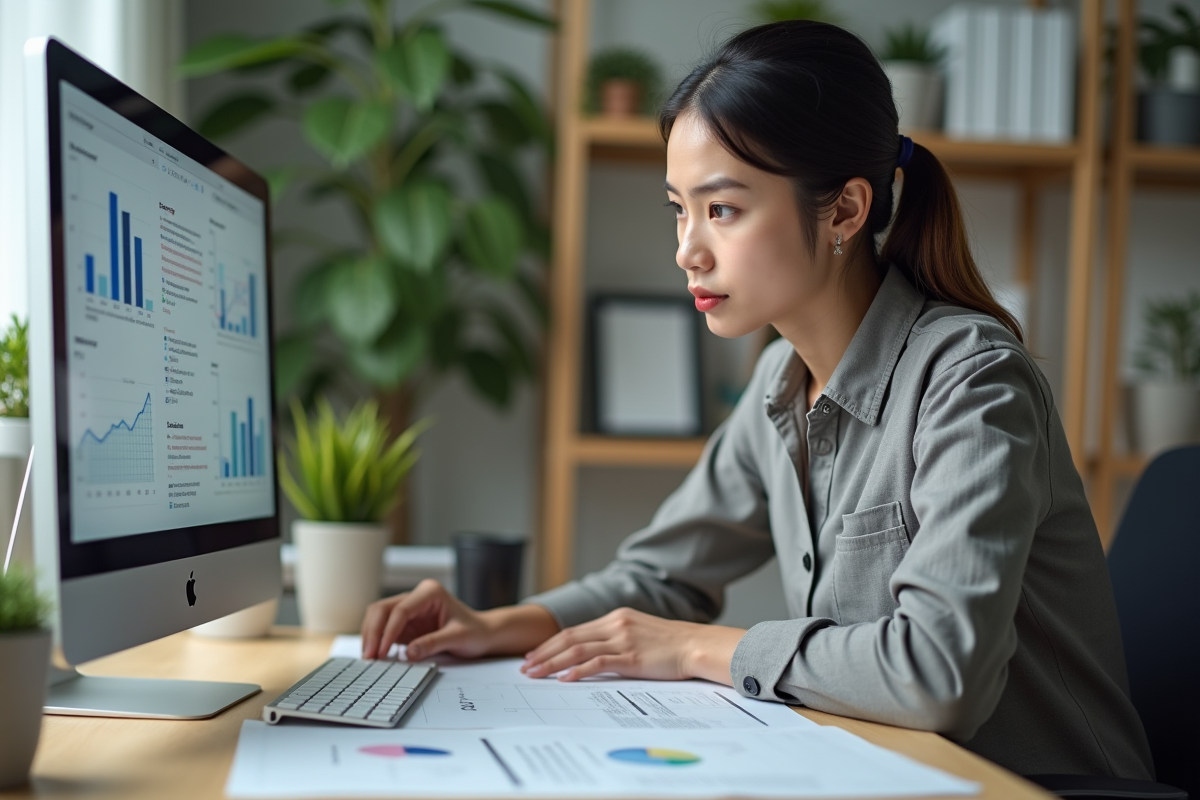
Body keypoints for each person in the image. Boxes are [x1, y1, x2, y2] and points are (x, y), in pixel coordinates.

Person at [360, 20, 1153, 780]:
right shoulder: (780, 383)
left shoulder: (971, 382)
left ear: (844, 209)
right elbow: (661, 578)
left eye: (723, 209)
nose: (687, 249)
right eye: (680, 209)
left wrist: (699, 649)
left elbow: (940, 670)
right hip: (886, 773)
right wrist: (498, 625)